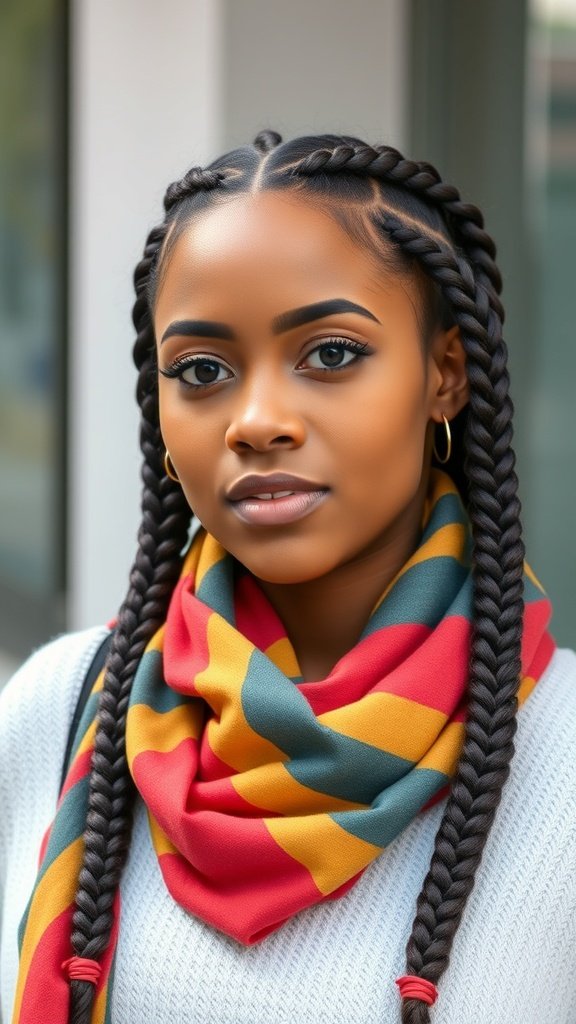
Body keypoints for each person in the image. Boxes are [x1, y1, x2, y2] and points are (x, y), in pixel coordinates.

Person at [1, 129, 575, 1024]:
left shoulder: (566, 759)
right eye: (202, 371)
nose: (257, 420)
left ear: (446, 374)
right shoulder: (55, 710)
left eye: (332, 354)